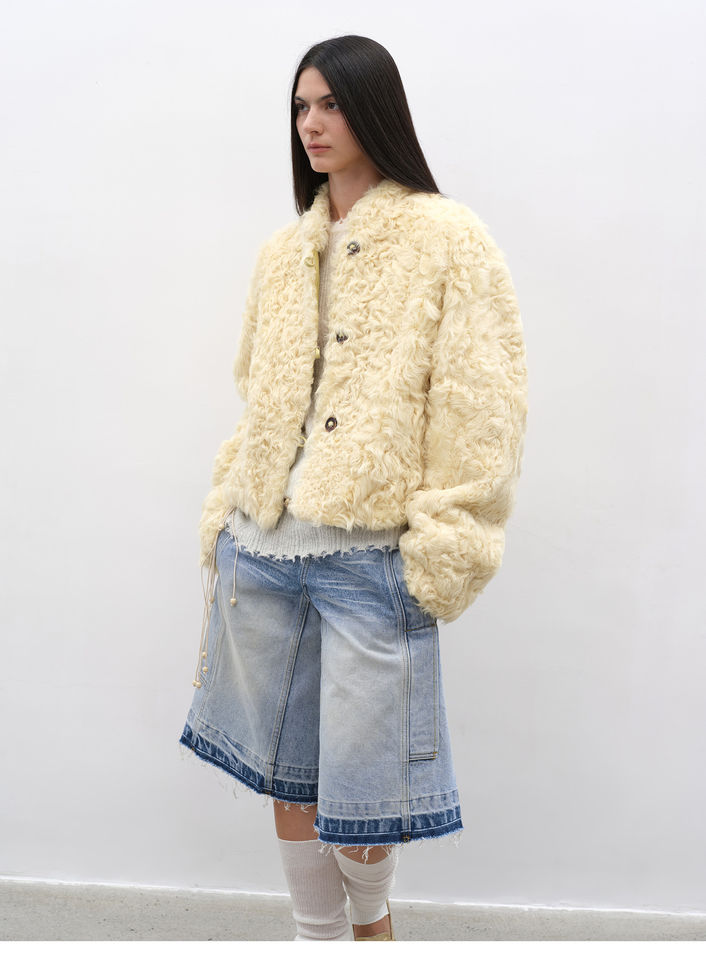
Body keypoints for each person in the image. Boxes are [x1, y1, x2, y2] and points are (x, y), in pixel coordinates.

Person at [179, 35, 528, 941]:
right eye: (301, 107)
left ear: (375, 109)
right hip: (265, 549)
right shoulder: (283, 252)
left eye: (331, 104)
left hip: (370, 561)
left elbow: (480, 405)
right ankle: (317, 937)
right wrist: (227, 507)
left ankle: (371, 925)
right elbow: (260, 394)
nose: (312, 124)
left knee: (365, 797)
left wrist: (445, 546)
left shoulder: (448, 239)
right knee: (289, 774)